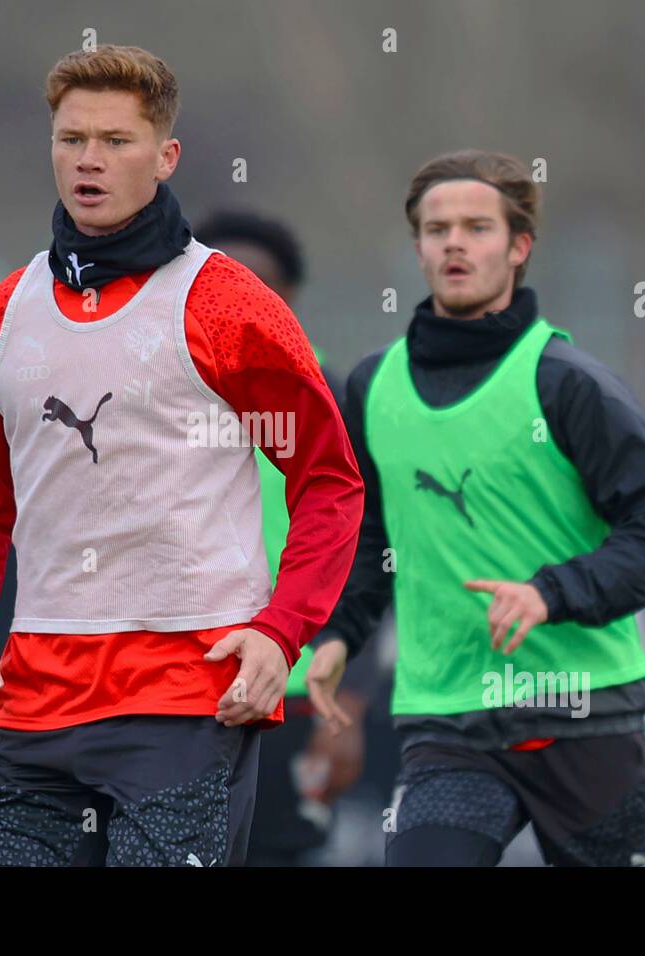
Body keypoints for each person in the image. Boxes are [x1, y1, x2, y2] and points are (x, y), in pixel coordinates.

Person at [0, 45, 363, 867]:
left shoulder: (228, 305)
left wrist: (280, 634)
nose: (89, 160)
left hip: (188, 699)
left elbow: (329, 483)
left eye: (116, 141)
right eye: (71, 139)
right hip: (38, 701)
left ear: (165, 158)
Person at [317, 149, 645, 866]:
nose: (454, 243)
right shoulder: (372, 388)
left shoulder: (571, 385)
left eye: (476, 227)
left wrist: (551, 593)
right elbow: (369, 538)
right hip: (449, 725)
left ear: (519, 247)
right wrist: (339, 632)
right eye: (436, 229)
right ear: (419, 249)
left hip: (583, 719)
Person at [194, 209, 372, 866]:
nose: (238, 302)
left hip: (295, 689)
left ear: (288, 299)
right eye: (220, 285)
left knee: (277, 853)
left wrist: (350, 699)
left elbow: (373, 550)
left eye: (257, 286)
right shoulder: (166, 389)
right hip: (182, 680)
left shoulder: (336, 396)